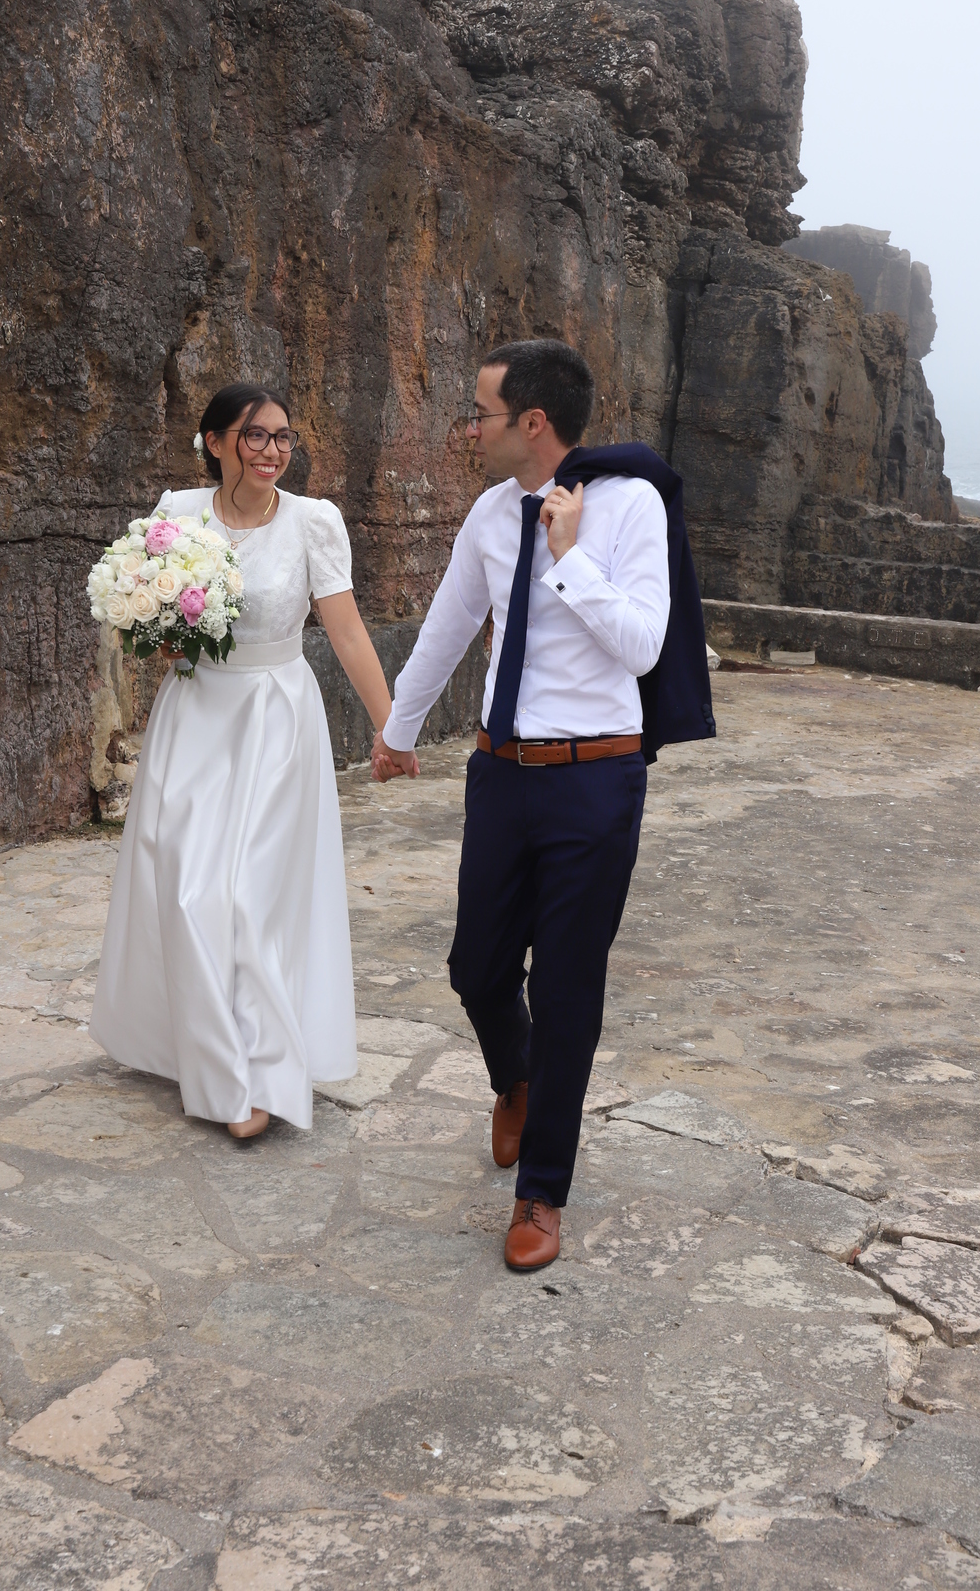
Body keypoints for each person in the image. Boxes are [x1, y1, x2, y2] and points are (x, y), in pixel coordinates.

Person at [371, 338, 673, 1269]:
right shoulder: (489, 512)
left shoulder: (632, 504)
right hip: (501, 772)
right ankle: (517, 1080)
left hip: (595, 777)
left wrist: (569, 559)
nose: (470, 428)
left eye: (481, 413)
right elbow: (449, 626)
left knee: (568, 989)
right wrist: (397, 731)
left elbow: (645, 646)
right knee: (477, 967)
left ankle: (541, 1192)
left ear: (533, 422)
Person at [91, 383, 395, 1140]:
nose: (272, 450)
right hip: (196, 715)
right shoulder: (178, 514)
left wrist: (393, 727)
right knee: (187, 890)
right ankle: (208, 1053)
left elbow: (347, 632)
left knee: (251, 896)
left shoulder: (313, 522)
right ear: (215, 442)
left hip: (275, 721)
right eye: (255, 435)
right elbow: (142, 626)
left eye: (283, 437)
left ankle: (258, 1075)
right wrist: (161, 633)